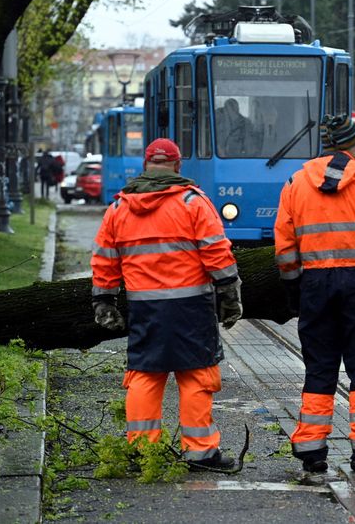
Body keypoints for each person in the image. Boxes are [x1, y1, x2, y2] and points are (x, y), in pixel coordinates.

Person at [90, 138, 242, 471]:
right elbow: (216, 252)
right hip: (191, 307)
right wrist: (230, 294)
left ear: (146, 165)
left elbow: (104, 259)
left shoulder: (119, 208)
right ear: (177, 165)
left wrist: (104, 300)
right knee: (197, 375)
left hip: (145, 309)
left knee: (145, 375)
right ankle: (200, 453)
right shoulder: (192, 202)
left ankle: (143, 452)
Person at [274, 114, 355, 474]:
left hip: (315, 285)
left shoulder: (295, 183)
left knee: (319, 366)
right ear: (350, 146)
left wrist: (292, 284)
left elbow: (284, 242)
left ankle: (311, 448)